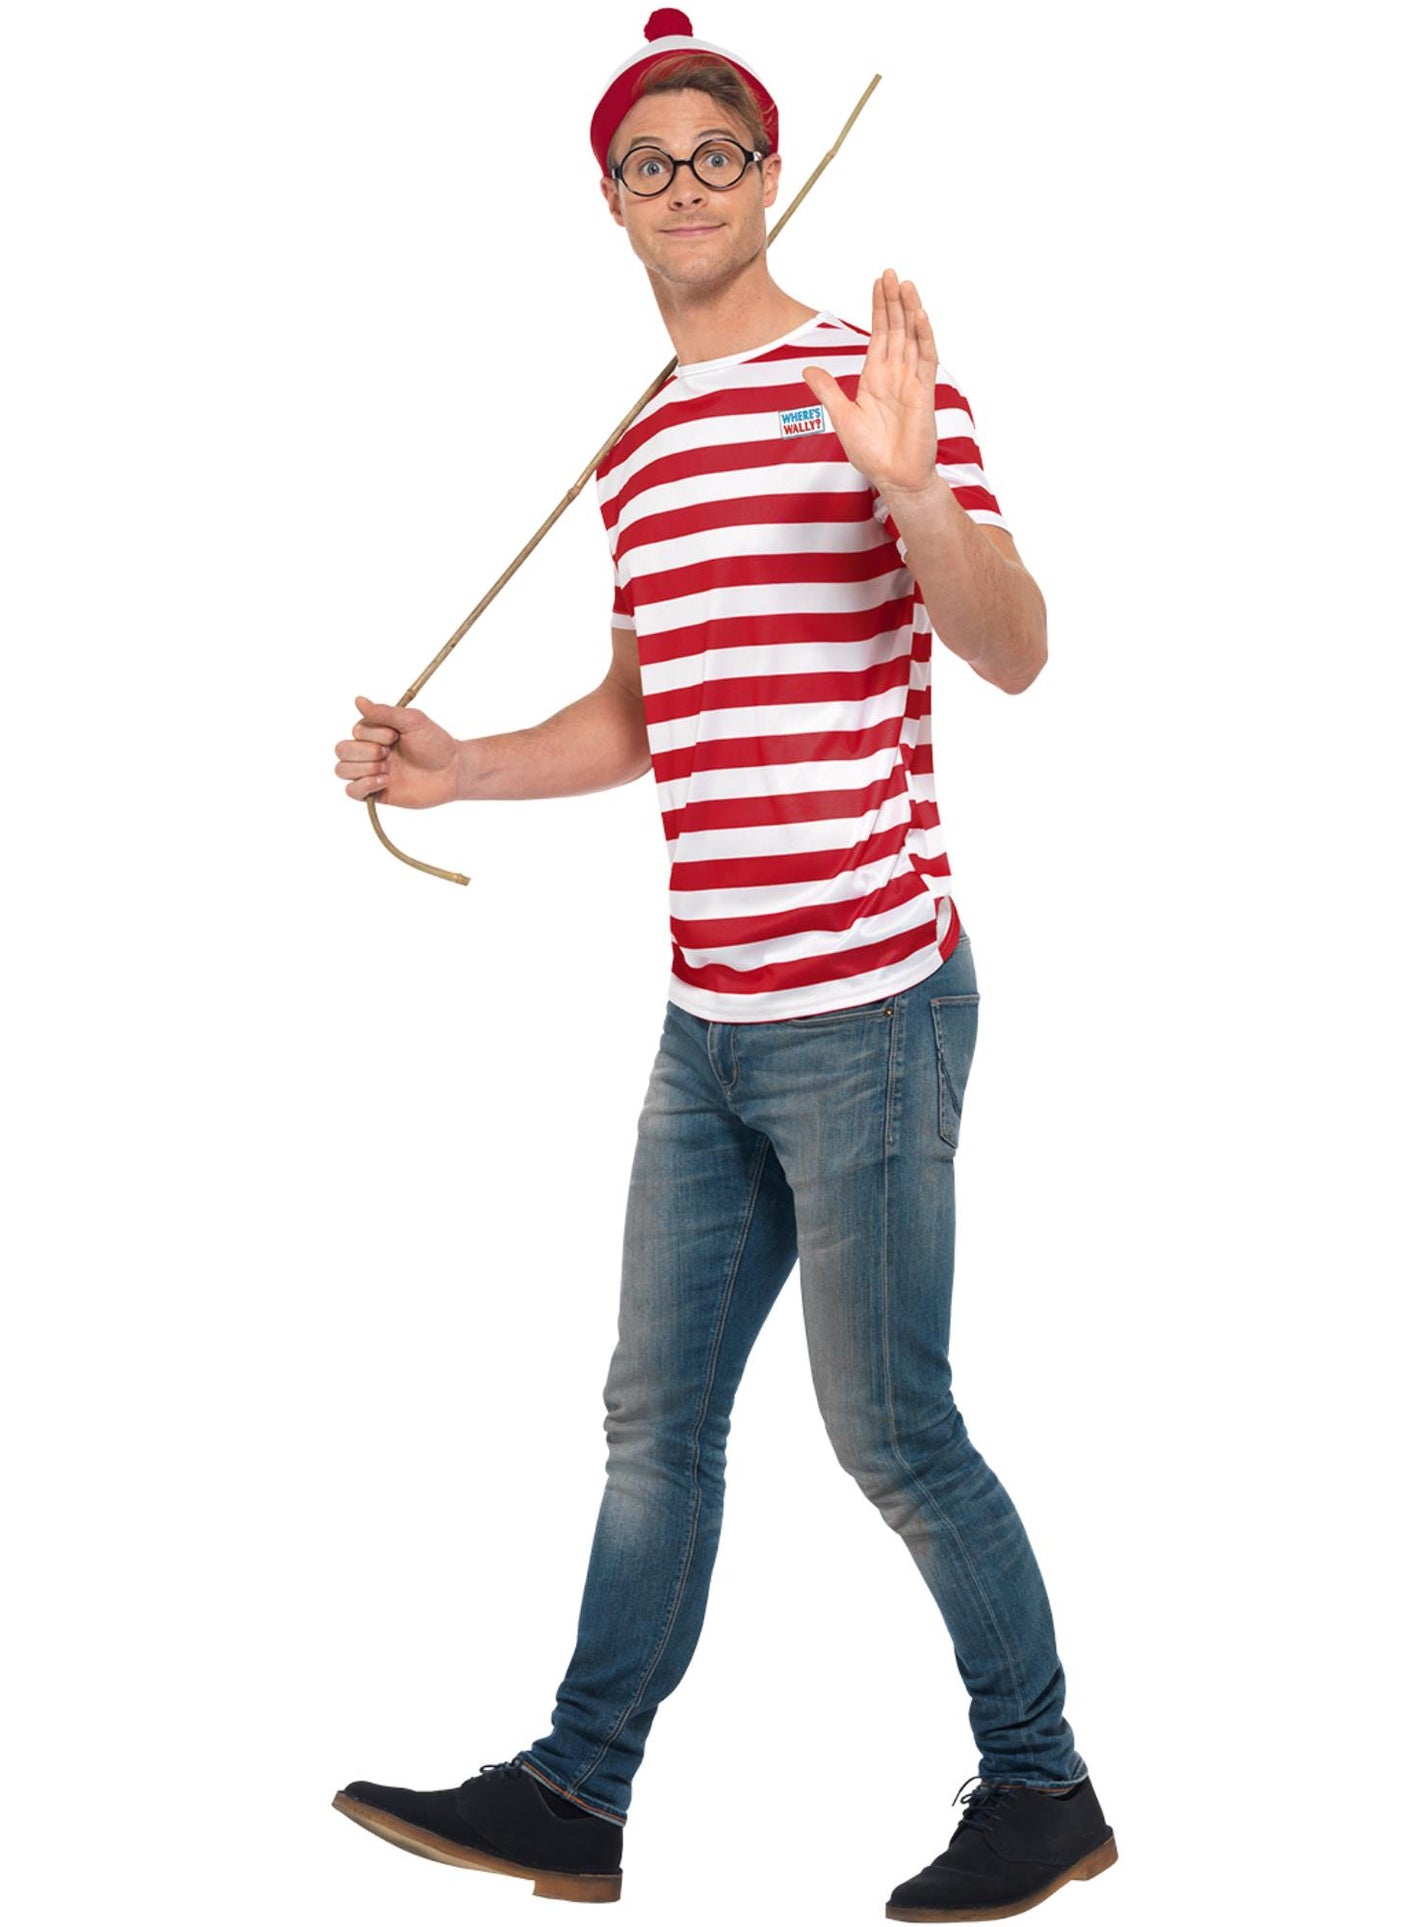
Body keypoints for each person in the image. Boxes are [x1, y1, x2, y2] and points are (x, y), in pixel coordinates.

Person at [330, 12, 1116, 1919]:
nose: (682, 186)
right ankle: (576, 1792)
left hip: (870, 1002)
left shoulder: (873, 383)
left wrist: (909, 486)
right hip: (710, 1018)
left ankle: (1043, 1788)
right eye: (646, 163)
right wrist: (465, 767)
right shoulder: (637, 442)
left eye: (714, 154)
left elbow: (1013, 648)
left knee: (892, 1432)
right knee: (653, 1423)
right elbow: (646, 709)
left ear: (766, 173)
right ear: (606, 201)